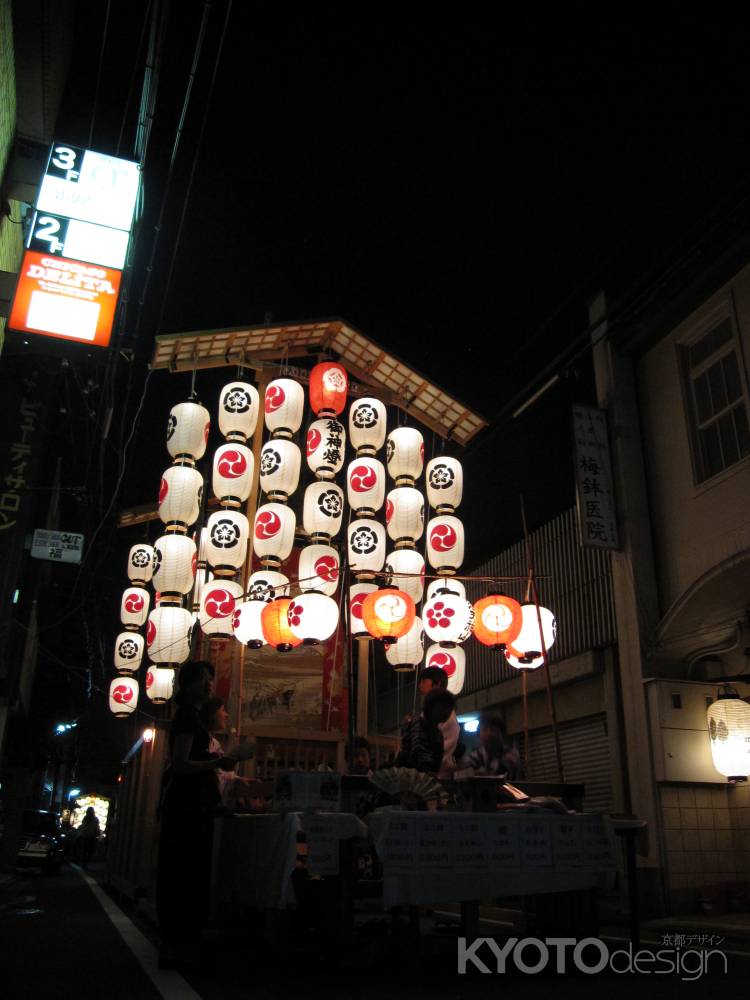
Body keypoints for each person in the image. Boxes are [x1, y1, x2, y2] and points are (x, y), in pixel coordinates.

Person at [156, 660, 240, 968]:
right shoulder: (187, 718)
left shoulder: (193, 719)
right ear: (187, 683)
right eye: (203, 680)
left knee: (187, 873)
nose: (208, 684)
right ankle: (176, 944)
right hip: (187, 809)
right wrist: (217, 763)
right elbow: (180, 763)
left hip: (195, 807)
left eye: (210, 679)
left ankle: (181, 943)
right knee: (184, 873)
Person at [199, 697, 260, 809]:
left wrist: (237, 779)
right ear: (211, 714)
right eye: (222, 710)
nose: (226, 715)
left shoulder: (215, 743)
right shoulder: (199, 741)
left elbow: (220, 773)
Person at [396, 690, 457, 772]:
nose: (447, 712)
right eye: (443, 707)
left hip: (423, 777)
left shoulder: (437, 732)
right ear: (431, 707)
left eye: (449, 709)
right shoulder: (417, 724)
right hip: (408, 776)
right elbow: (418, 755)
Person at [417, 667, 461, 777]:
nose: (420, 685)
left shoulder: (442, 710)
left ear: (437, 684)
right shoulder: (441, 708)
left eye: (424, 681)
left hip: (437, 772)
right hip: (436, 769)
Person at [463, 712, 521, 780]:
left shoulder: (511, 754)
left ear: (502, 734)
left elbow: (502, 774)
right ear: (478, 735)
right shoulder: (473, 757)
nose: (489, 734)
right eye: (485, 730)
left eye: (493, 730)